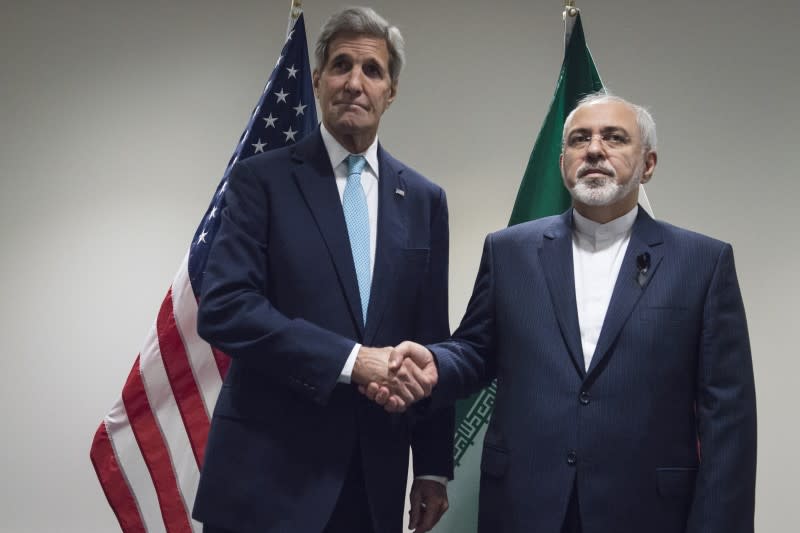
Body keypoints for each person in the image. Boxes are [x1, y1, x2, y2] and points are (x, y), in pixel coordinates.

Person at [370, 93, 757, 533]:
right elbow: (477, 349)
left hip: (648, 513)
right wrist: (436, 363)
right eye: (579, 139)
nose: (594, 149)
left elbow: (728, 420)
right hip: (525, 505)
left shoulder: (702, 263)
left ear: (648, 164)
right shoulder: (509, 251)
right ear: (563, 162)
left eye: (614, 138)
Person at [192, 7, 453, 533]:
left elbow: (429, 337)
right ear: (317, 80)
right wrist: (352, 360)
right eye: (341, 66)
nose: (355, 83)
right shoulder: (260, 181)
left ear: (391, 91)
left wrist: (431, 468)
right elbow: (225, 309)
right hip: (266, 477)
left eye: (372, 70)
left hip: (372, 479)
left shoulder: (425, 200)